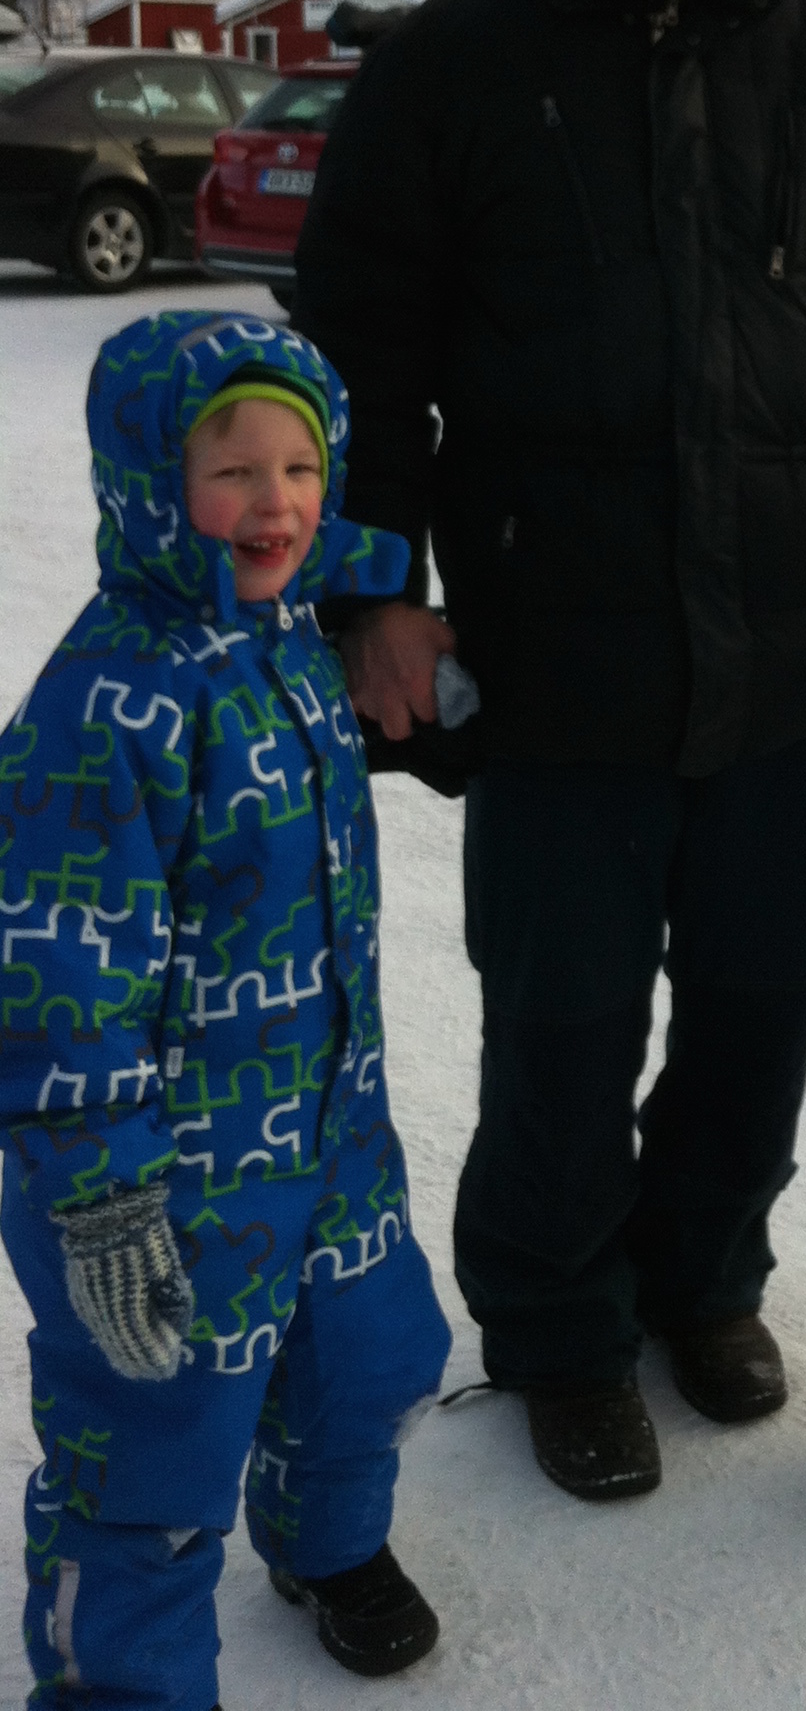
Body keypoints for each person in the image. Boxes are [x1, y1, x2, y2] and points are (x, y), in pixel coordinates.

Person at [296, 0, 806, 1503]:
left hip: (776, 643)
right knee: (565, 1017)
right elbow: (359, 350)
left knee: (767, 993)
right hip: (552, 642)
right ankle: (561, 1327)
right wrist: (374, 588)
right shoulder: (449, 67)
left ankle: (702, 1277)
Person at [0, 310, 451, 1709]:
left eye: (301, 469)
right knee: (151, 1459)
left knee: (369, 1364)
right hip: (171, 1183)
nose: (277, 504)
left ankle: (326, 1542)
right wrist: (101, 1200)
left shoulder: (291, 637)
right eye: (235, 472)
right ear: (152, 483)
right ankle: (120, 1686)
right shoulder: (104, 709)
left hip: (330, 1131)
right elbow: (55, 978)